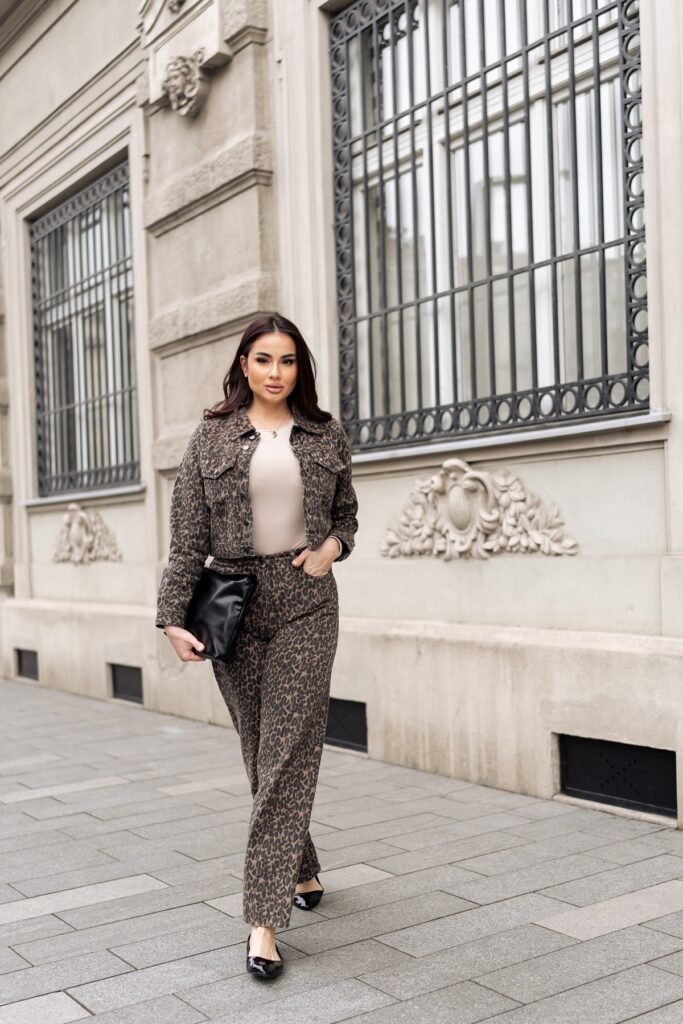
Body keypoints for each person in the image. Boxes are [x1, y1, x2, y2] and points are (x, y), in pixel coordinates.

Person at [155, 312, 359, 979]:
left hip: (305, 601)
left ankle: (262, 922)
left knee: (287, 751)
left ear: (300, 369)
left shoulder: (326, 434)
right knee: (260, 751)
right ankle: (299, 867)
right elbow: (188, 538)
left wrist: (330, 548)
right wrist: (170, 617)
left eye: (288, 361)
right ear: (243, 364)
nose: (276, 373)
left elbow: (348, 517)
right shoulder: (210, 438)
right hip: (234, 605)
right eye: (264, 359)